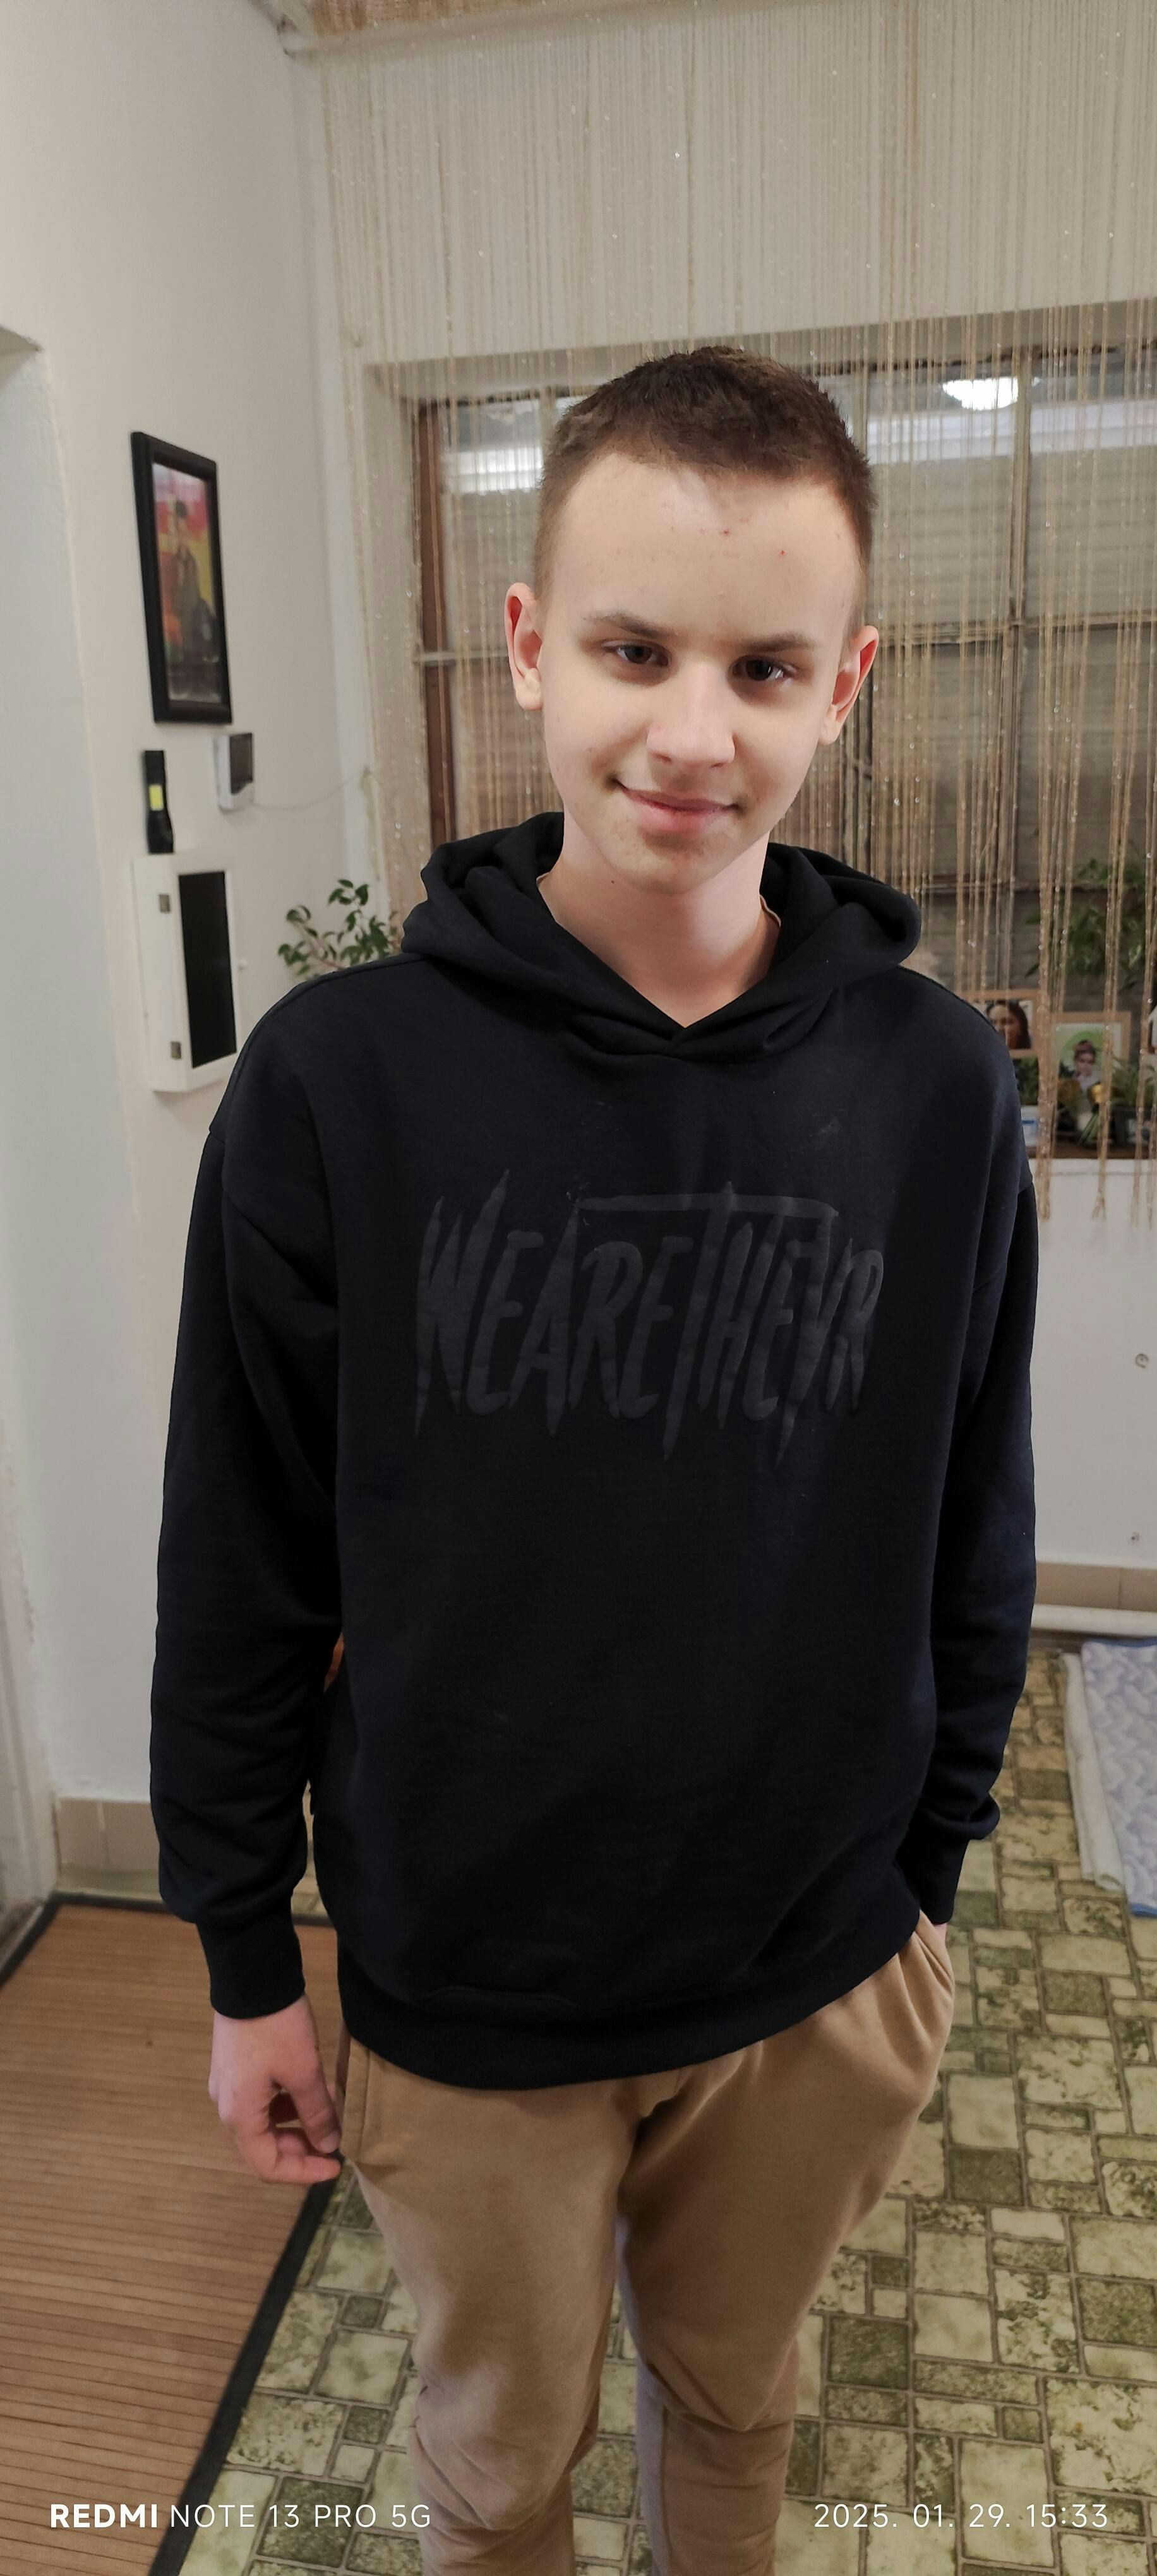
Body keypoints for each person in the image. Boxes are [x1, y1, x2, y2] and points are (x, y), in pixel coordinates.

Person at [150, 345, 1038, 2574]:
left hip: (820, 1967)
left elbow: (973, 1509)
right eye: (637, 652)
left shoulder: (938, 1087)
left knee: (739, 2415)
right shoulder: (339, 1083)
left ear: (847, 685)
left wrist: (930, 1880)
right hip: (471, 1983)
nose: (694, 732)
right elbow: (241, 1552)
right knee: (496, 2474)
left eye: (763, 668)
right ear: (532, 647)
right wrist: (244, 1952)